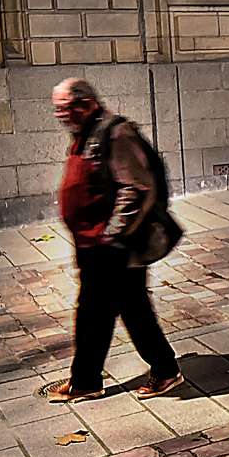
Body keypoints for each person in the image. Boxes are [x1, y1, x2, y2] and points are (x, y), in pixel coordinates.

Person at [45, 78, 184, 403]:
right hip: (95, 246)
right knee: (111, 311)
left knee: (111, 312)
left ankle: (97, 379)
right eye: (58, 110)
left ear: (85, 103)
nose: (60, 116)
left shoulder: (115, 133)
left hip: (113, 246)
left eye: (64, 109)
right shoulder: (86, 134)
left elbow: (135, 188)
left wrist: (112, 236)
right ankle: (94, 379)